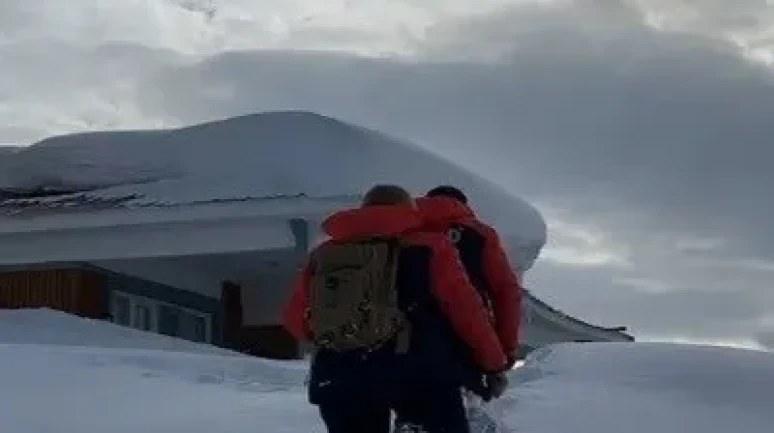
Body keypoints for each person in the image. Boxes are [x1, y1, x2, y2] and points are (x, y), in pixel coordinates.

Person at [282, 184, 509, 433]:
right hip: (421, 376)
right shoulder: (431, 247)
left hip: (340, 374)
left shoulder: (324, 254)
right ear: (409, 210)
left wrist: (349, 334)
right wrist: (493, 363)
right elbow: (467, 311)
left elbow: (296, 320)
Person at [416, 185, 524, 401]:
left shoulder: (406, 230)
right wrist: (504, 351)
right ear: (462, 206)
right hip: (469, 340)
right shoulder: (479, 234)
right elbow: (506, 293)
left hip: (404, 339)